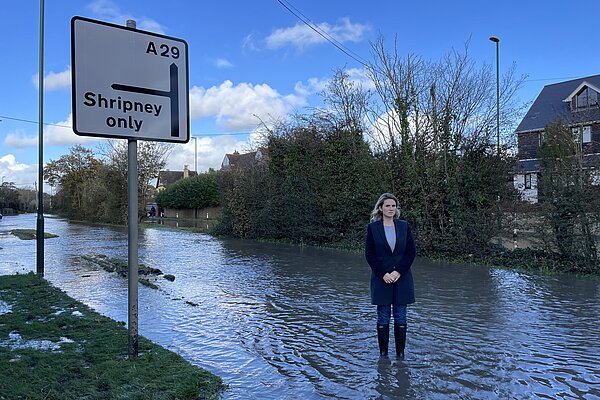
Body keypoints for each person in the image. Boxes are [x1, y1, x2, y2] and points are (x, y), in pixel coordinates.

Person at [365, 193, 416, 358]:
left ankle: (400, 355)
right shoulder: (372, 228)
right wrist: (383, 274)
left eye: (393, 206)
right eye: (387, 205)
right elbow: (369, 255)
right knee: (383, 316)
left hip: (402, 278)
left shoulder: (404, 226)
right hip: (381, 279)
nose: (391, 209)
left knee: (401, 316)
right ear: (380, 208)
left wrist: (398, 271)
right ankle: (383, 356)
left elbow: (410, 252)